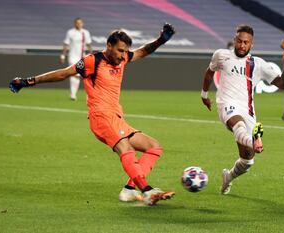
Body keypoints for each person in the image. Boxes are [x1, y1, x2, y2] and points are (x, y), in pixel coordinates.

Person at [9, 23, 176, 206]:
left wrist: (161, 40)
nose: (122, 56)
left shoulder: (122, 59)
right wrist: (29, 81)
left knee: (154, 146)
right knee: (126, 149)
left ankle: (129, 190)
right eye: (120, 50)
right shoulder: (92, 61)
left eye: (125, 51)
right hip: (101, 118)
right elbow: (63, 74)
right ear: (109, 46)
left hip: (118, 119)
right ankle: (147, 191)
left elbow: (143, 51)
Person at [200, 24, 284, 194]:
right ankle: (254, 140)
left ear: (252, 44)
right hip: (226, 104)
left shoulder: (258, 64)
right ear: (234, 40)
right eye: (239, 41)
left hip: (248, 111)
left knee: (248, 160)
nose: (242, 45)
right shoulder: (221, 55)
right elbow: (209, 72)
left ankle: (228, 177)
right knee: (239, 126)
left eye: (246, 42)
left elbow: (282, 84)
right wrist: (204, 95)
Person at [60, 17, 92, 101]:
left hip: (82, 57)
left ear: (82, 23)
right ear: (75, 24)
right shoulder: (70, 32)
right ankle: (73, 94)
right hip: (72, 56)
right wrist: (62, 55)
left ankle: (74, 94)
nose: (78, 24)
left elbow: (89, 44)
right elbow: (66, 44)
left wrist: (91, 54)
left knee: (79, 75)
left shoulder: (86, 33)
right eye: (77, 23)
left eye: (80, 23)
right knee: (74, 74)